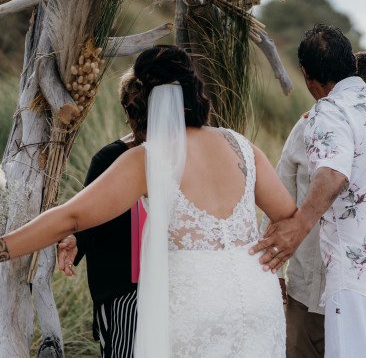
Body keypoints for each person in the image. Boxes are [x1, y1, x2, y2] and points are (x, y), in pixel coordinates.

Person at [0, 45, 296, 358]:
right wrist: (269, 253)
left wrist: (4, 247)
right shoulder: (241, 146)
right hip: (258, 298)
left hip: (197, 307)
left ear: (145, 101)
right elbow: (288, 214)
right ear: (196, 90)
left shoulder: (148, 158)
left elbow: (71, 218)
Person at [251, 25, 366, 357]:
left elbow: (333, 173)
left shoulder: (328, 111)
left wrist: (299, 226)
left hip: (361, 280)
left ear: (306, 75)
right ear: (353, 65)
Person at [56, 70, 145, 358]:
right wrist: (76, 240)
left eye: (144, 107)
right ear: (124, 111)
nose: (138, 117)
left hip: (173, 287)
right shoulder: (109, 159)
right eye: (132, 109)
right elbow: (86, 215)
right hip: (123, 294)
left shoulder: (182, 155)